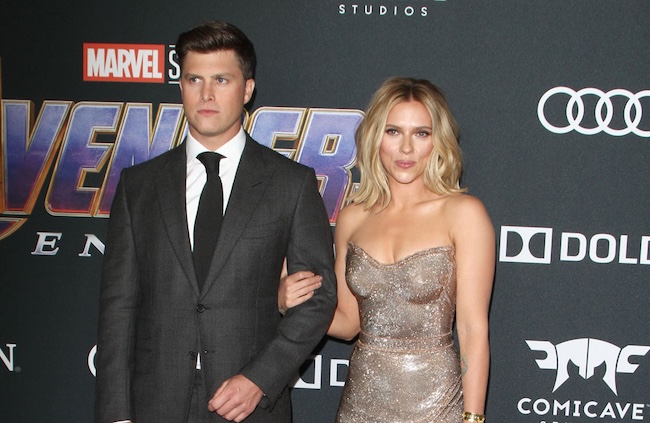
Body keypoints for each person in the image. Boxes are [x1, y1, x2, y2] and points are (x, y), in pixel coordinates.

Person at [95, 20, 337, 423]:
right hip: (155, 404)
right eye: (195, 80)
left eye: (221, 80)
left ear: (247, 89)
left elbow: (318, 298)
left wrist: (260, 379)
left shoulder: (290, 183)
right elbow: (118, 309)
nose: (206, 94)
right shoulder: (139, 186)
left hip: (250, 407)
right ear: (181, 87)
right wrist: (116, 415)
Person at [280, 77, 495, 422]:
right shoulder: (353, 217)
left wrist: (473, 419)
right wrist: (289, 301)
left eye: (421, 133)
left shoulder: (463, 214)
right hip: (361, 405)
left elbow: (472, 330)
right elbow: (348, 323)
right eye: (393, 131)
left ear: (438, 141)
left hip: (437, 406)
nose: (406, 149)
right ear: (375, 137)